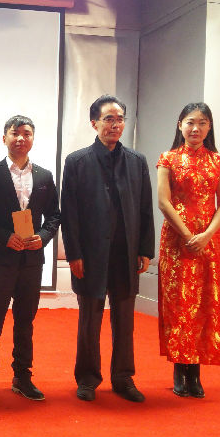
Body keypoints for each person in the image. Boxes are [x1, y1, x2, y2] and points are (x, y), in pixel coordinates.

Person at [60, 94, 155, 403]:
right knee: (90, 319)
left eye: (119, 119)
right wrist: (74, 254)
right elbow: (69, 212)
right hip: (90, 255)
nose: (115, 125)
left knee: (125, 320)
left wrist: (145, 249)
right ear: (94, 123)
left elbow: (145, 208)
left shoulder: (137, 161)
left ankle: (123, 378)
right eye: (108, 119)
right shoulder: (77, 161)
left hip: (125, 254)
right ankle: (87, 378)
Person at [0, 115, 60, 403]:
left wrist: (43, 237)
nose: (21, 138)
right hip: (0, 257)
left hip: (32, 260)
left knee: (25, 320)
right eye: (15, 133)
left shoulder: (44, 176)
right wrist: (3, 236)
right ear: (4, 138)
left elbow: (54, 216)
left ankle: (22, 376)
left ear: (33, 138)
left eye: (27, 133)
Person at [156, 102, 220, 399]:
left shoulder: (218, 160)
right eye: (190, 122)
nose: (195, 128)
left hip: (209, 241)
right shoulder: (168, 158)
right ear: (180, 125)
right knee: (179, 304)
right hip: (177, 241)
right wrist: (187, 235)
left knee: (205, 303)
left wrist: (207, 235)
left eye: (201, 123)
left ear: (209, 127)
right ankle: (179, 368)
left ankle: (195, 372)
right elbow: (163, 202)